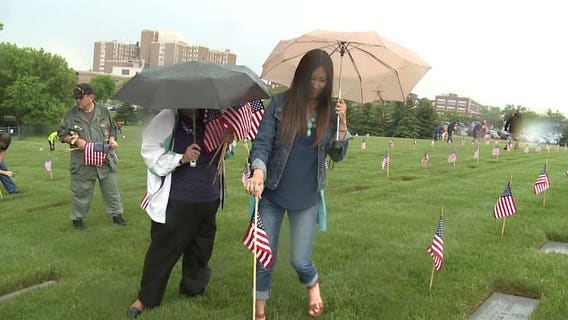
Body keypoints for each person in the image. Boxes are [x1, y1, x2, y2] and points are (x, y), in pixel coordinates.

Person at [245, 49, 351, 320]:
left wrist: (342, 125)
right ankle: (260, 311)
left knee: (299, 259)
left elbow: (337, 154)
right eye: (312, 78)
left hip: (307, 197)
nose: (316, 85)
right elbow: (262, 142)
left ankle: (312, 283)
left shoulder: (330, 113)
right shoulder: (280, 103)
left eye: (323, 80)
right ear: (301, 76)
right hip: (272, 191)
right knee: (264, 254)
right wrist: (258, 172)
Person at [126, 108, 234, 318]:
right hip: (177, 199)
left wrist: (227, 142)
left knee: (201, 249)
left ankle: (193, 289)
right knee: (163, 250)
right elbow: (150, 152)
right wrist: (181, 158)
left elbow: (225, 153)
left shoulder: (213, 117)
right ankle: (146, 298)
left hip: (208, 197)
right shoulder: (167, 118)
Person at [58, 83, 126, 230]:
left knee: (112, 190)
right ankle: (78, 219)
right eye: (76, 98)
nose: (77, 100)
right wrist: (75, 140)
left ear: (91, 97)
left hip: (105, 159)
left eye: (80, 97)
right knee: (81, 192)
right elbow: (61, 135)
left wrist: (113, 140)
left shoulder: (103, 111)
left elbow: (113, 128)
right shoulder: (70, 115)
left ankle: (117, 216)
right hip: (82, 162)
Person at [0, 130, 20, 194]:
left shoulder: (5, 140)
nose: (4, 146)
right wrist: (5, 172)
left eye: (5, 145)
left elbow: (2, 151)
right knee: (3, 171)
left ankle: (12, 190)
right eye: (2, 144)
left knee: (2, 167)